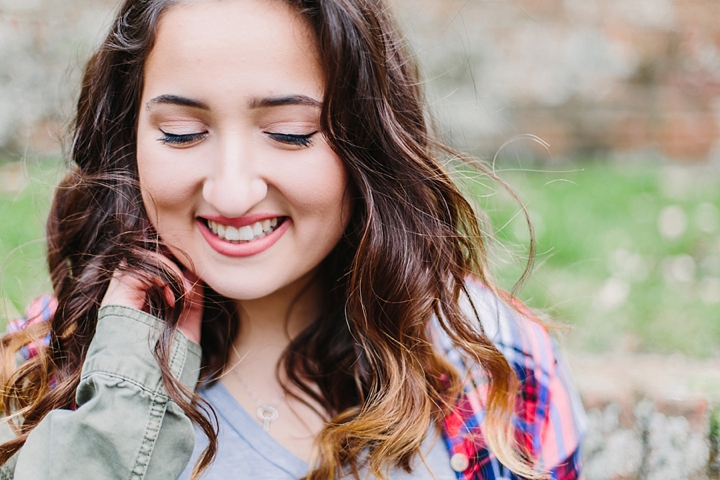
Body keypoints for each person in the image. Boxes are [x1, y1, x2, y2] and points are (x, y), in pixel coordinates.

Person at [0, 0, 586, 478]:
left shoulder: (496, 363)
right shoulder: (45, 366)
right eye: (181, 134)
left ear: (369, 142)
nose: (231, 193)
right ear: (129, 141)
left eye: (289, 133)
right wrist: (114, 427)